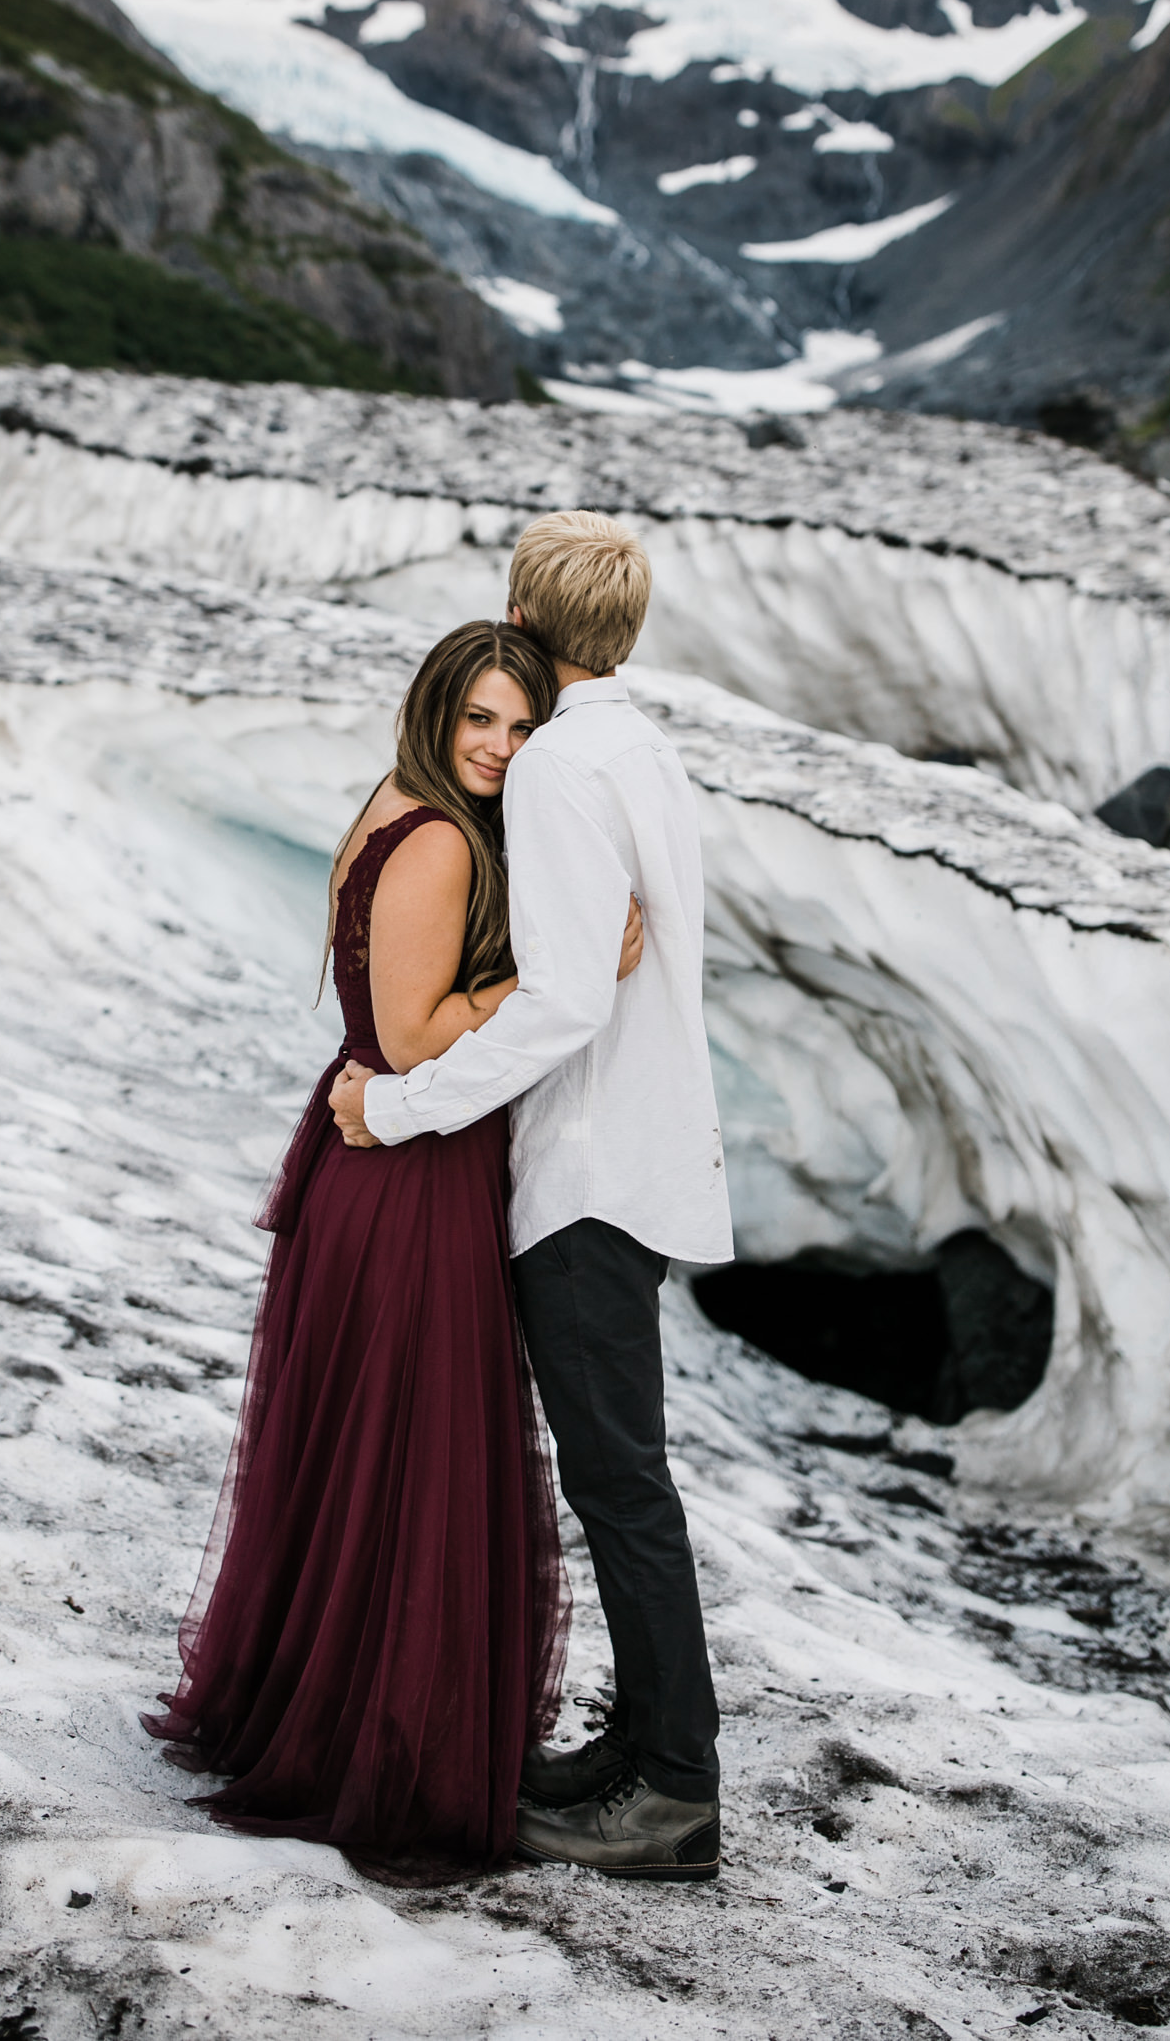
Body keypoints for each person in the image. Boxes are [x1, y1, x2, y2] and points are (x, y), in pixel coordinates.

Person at [142, 619, 642, 1881]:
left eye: (520, 727)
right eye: (477, 718)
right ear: (435, 710)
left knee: (371, 1461)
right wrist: (556, 972)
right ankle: (379, 1746)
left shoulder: (406, 798)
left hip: (384, 1165)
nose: (497, 746)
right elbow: (416, 1043)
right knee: (408, 1464)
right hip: (405, 1172)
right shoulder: (429, 840)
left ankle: (340, 1710)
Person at [331, 511, 733, 1884]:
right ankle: (638, 1752)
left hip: (587, 1171)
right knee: (623, 1478)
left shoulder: (560, 763)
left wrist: (396, 1105)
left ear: (525, 610)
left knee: (620, 1485)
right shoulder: (640, 747)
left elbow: (563, 999)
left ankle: (672, 1790)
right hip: (636, 1154)